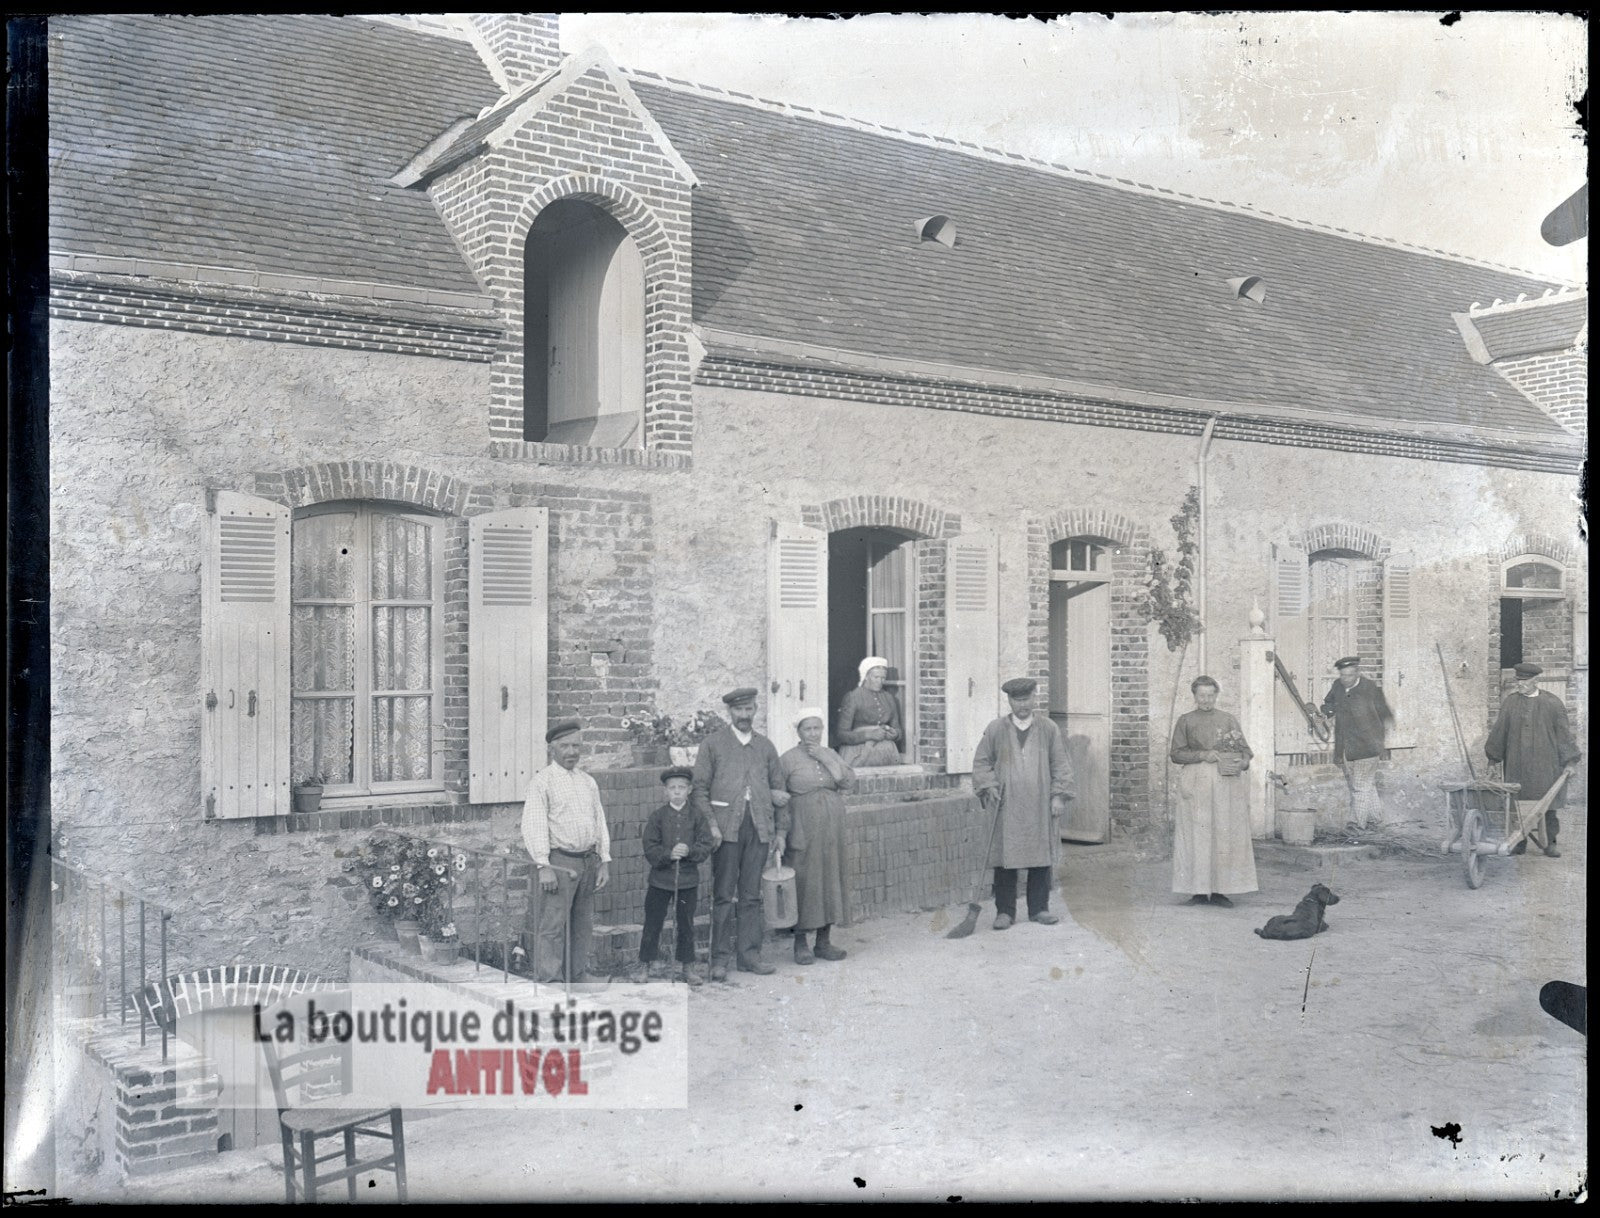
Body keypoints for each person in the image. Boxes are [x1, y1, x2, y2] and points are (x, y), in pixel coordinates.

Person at [691, 688, 791, 980]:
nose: (745, 716)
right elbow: (699, 789)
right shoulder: (713, 744)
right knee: (723, 895)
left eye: (749, 710)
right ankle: (719, 959)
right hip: (725, 830)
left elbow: (780, 791)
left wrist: (781, 830)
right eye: (739, 711)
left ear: (755, 710)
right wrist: (711, 824)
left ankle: (749, 956)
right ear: (730, 712)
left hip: (759, 828)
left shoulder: (766, 747)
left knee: (751, 896)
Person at [970, 677, 1074, 929]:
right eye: (1017, 700)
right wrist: (989, 785)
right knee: (1005, 857)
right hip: (1007, 805)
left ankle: (1039, 909)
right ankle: (1005, 912)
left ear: (1034, 698)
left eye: (1027, 698)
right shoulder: (995, 729)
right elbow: (981, 762)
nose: (1023, 705)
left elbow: (1060, 764)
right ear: (1009, 701)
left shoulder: (1048, 728)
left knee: (1040, 856)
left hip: (1039, 802)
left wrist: (1059, 795)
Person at [520, 718, 611, 984]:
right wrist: (543, 865)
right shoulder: (542, 782)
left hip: (587, 861)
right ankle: (550, 980)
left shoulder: (587, 781)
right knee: (553, 925)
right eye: (566, 747)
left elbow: (599, 820)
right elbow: (534, 825)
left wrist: (604, 860)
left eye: (576, 746)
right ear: (552, 749)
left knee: (582, 924)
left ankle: (577, 975)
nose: (572, 752)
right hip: (559, 862)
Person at [1170, 676, 1259, 907]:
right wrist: (1202, 755)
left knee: (1224, 834)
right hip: (1196, 781)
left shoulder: (1228, 720)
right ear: (1194, 696)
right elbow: (1176, 754)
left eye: (1210, 695)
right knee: (1197, 835)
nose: (1206, 700)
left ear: (1216, 695)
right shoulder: (1185, 721)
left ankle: (1221, 891)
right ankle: (1198, 891)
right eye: (1202, 696)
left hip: (1225, 782)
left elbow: (1246, 751)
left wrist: (1241, 762)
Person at [779, 708, 855, 965]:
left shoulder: (830, 753)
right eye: (807, 729)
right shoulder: (788, 759)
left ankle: (824, 941)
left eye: (817, 728)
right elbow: (779, 796)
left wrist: (828, 759)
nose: (813, 734)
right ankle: (800, 943)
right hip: (802, 826)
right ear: (798, 732)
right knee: (804, 881)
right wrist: (782, 831)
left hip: (831, 828)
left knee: (830, 877)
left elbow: (848, 783)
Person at [1486, 662, 1581, 858]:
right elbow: (1499, 732)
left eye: (1524, 681)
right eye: (1518, 681)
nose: (1519, 684)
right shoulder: (1510, 702)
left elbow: (1564, 734)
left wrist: (1570, 761)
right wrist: (1493, 759)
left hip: (1546, 765)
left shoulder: (1553, 703)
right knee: (1517, 805)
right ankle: (1519, 842)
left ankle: (1550, 844)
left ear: (1535, 680)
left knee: (1548, 805)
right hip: (1517, 764)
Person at [632, 767, 717, 986]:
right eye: (672, 788)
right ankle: (645, 964)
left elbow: (705, 843)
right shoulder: (658, 817)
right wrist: (669, 854)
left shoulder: (697, 816)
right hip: (660, 881)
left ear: (689, 790)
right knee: (653, 922)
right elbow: (650, 847)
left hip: (687, 880)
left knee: (686, 923)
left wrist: (690, 851)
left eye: (681, 787)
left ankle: (688, 966)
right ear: (665, 791)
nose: (677, 792)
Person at [1319, 656, 1394, 830]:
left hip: (1368, 746)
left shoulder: (1370, 688)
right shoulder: (1337, 686)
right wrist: (1325, 714)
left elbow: (1385, 713)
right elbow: (1329, 703)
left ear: (1357, 673)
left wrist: (1381, 740)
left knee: (1359, 787)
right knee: (1366, 784)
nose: (1346, 679)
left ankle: (1356, 825)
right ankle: (1376, 820)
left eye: (1350, 675)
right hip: (1346, 746)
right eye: (1343, 675)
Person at [836, 656, 904, 768]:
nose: (880, 681)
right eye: (876, 677)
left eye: (883, 678)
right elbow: (841, 734)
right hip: (859, 752)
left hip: (887, 753)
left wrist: (894, 733)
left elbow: (898, 730)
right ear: (866, 676)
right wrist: (868, 735)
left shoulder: (888, 698)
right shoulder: (853, 697)